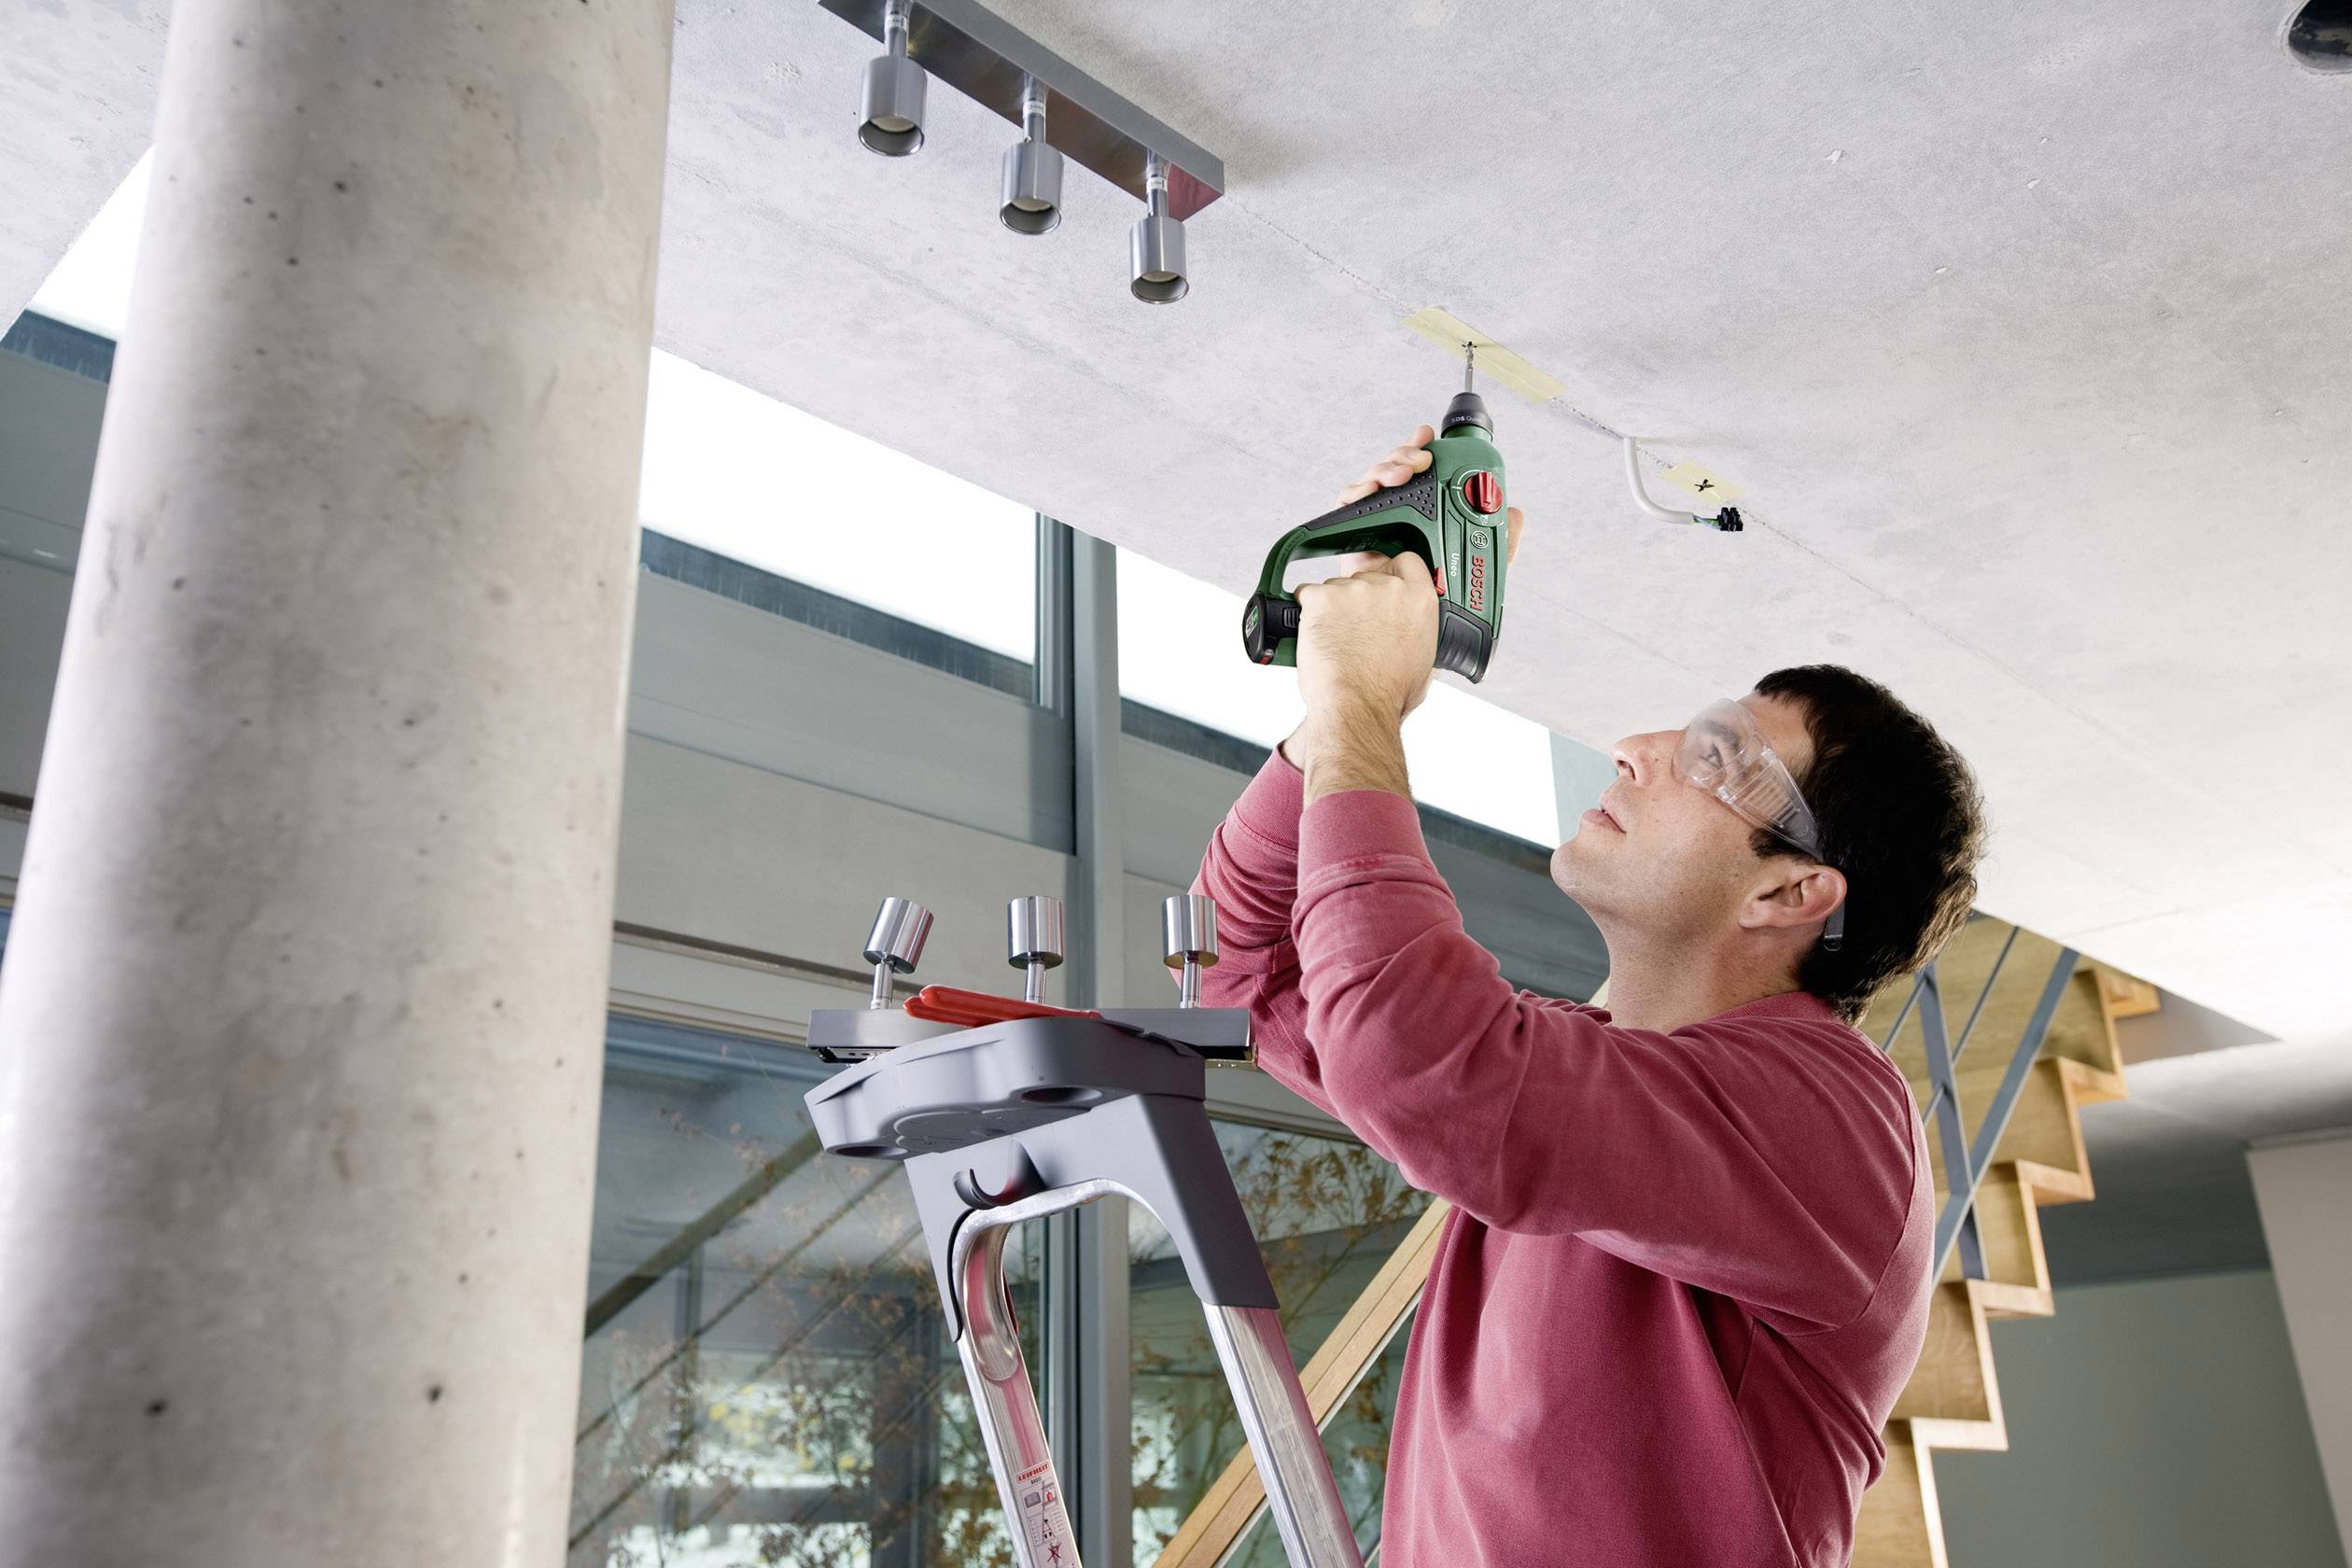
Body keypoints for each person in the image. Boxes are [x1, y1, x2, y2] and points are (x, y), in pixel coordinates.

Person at [1193, 427, 1986, 1567]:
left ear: (1792, 891)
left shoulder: (1835, 1120)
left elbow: (1423, 1065)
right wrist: (1338, 713)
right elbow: (1244, 970)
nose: (1635, 747)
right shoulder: (1575, 1083)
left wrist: (1365, 705)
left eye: (1718, 758)